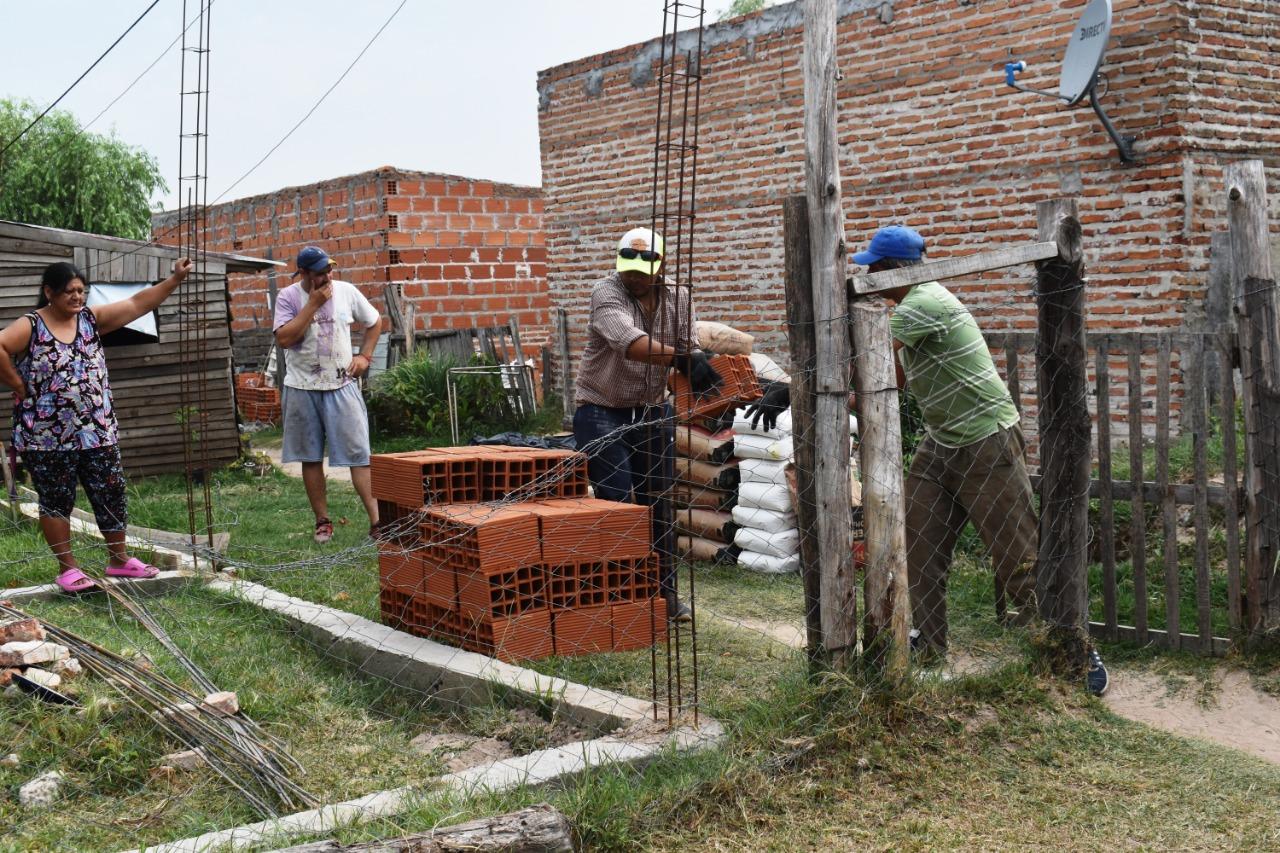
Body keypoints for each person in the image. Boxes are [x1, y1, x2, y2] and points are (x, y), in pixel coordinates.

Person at [748, 224, 1108, 696]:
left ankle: (1070, 650)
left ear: (891, 271)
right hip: (942, 442)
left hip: (986, 439)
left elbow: (855, 357)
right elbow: (883, 381)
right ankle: (929, 643)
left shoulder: (924, 304)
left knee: (1016, 554)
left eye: (871, 270)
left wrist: (792, 387)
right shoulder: (907, 310)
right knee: (919, 542)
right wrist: (805, 393)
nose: (864, 278)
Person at [0, 258, 193, 593]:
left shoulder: (90, 319)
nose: (77, 297)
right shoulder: (31, 325)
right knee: (57, 499)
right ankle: (68, 569)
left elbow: (136, 304)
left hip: (97, 430)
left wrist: (174, 280)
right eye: (69, 292)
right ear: (49, 292)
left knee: (111, 492)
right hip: (47, 436)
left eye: (81, 291)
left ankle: (119, 560)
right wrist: (17, 384)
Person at [573, 227, 721, 622]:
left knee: (659, 505)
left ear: (662, 265)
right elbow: (630, 342)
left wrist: (699, 376)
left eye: (644, 268)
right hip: (602, 410)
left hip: (654, 411)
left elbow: (688, 351)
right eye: (628, 268)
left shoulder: (680, 297)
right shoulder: (606, 292)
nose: (634, 276)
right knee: (619, 504)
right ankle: (622, 598)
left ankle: (665, 596)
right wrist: (682, 358)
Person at [273, 246, 382, 543]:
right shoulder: (288, 297)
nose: (328, 277)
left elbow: (375, 322)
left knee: (360, 456)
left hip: (342, 385)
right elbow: (284, 338)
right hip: (302, 388)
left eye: (330, 270)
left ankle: (377, 523)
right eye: (321, 273)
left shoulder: (346, 291)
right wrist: (312, 305)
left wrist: (365, 357)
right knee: (310, 457)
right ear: (305, 274)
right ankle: (322, 522)